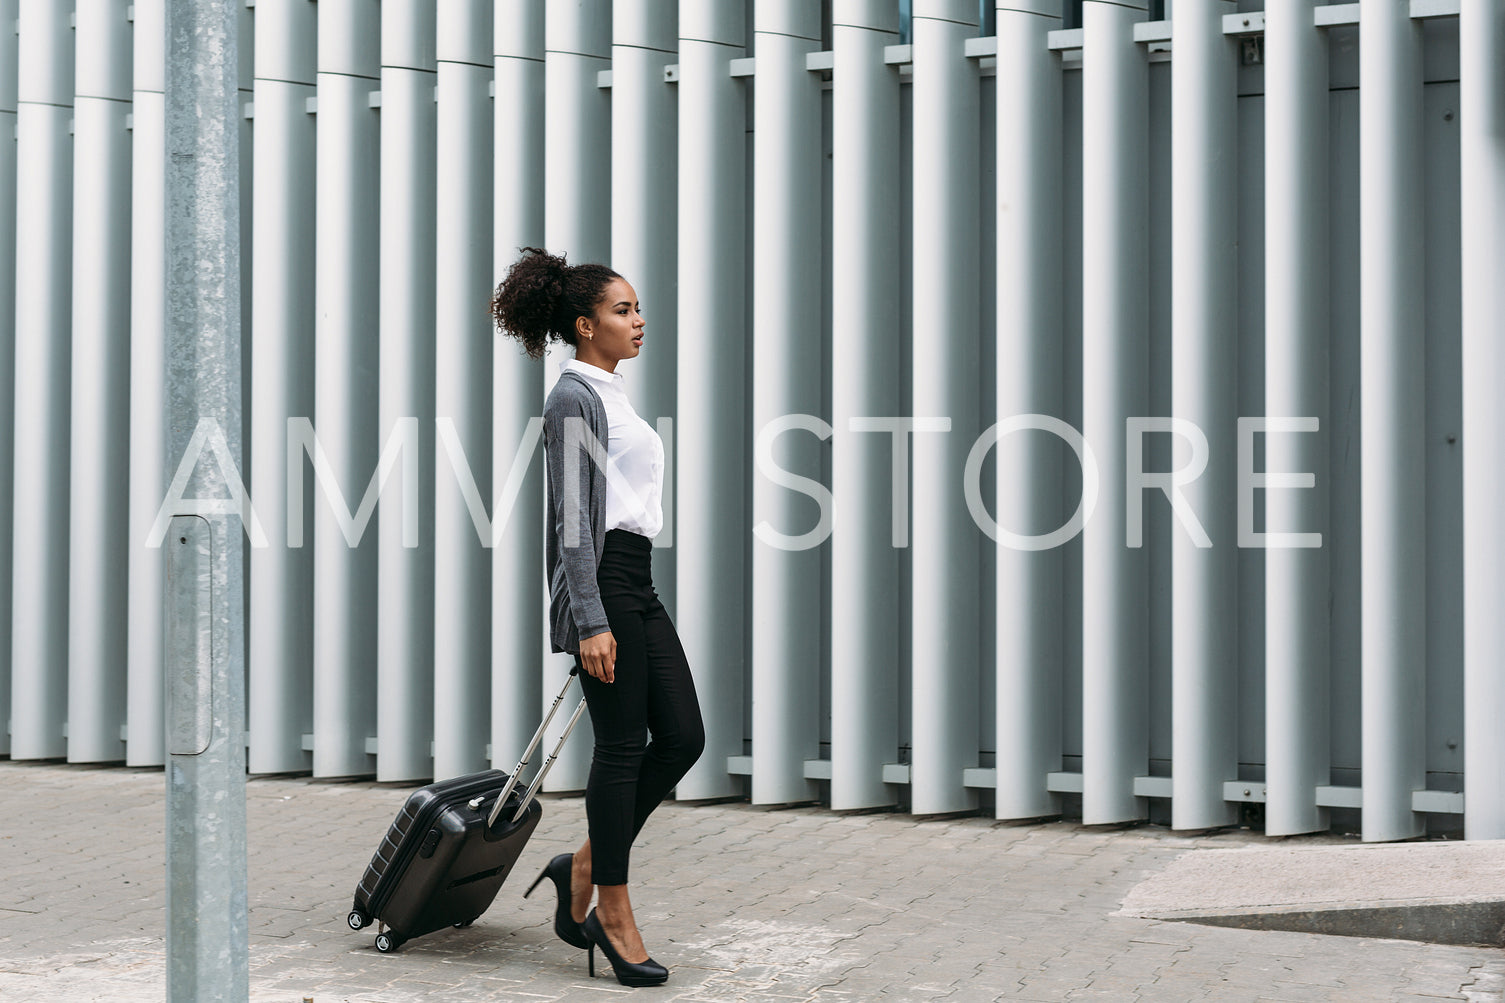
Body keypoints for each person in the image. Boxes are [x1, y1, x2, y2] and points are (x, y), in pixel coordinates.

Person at [492, 247, 704, 988]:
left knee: (682, 735)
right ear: (585, 325)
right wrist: (588, 618)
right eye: (622, 310)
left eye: (636, 307)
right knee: (621, 746)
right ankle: (610, 909)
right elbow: (573, 524)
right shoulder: (572, 398)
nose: (638, 320)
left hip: (634, 578)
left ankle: (579, 862)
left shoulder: (610, 395)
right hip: (603, 581)